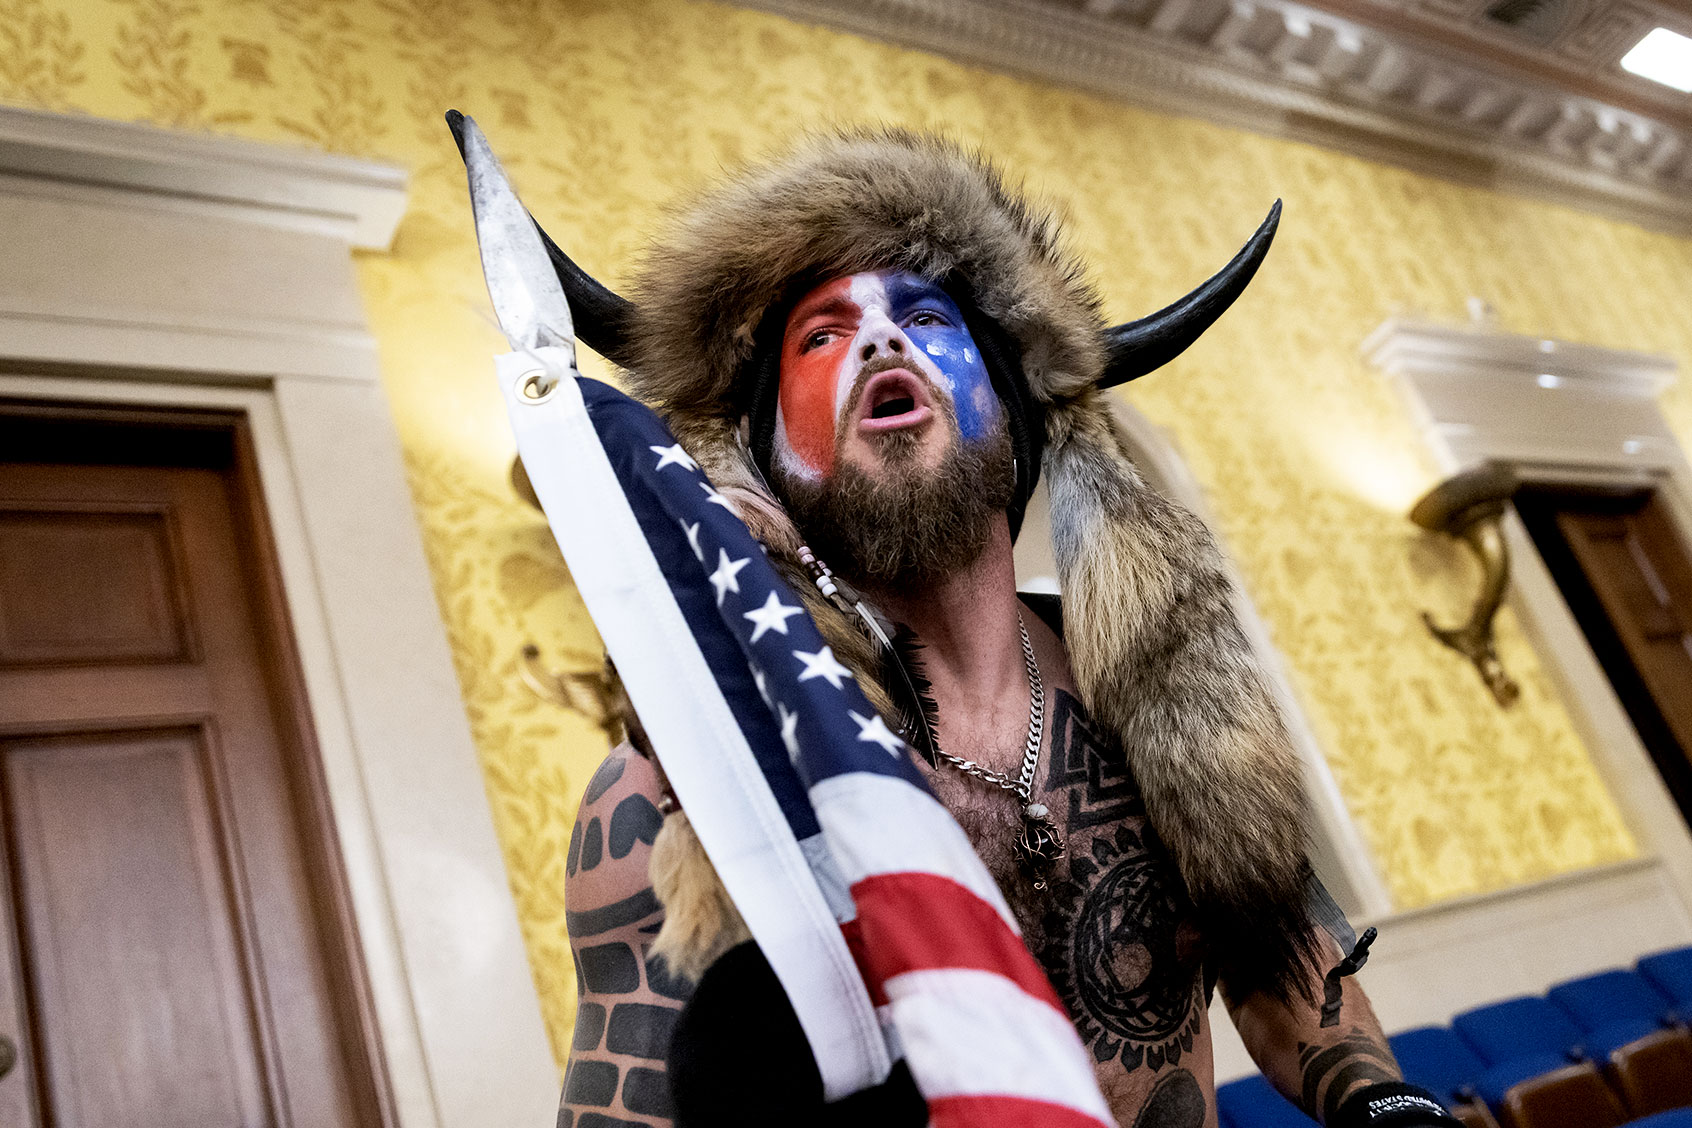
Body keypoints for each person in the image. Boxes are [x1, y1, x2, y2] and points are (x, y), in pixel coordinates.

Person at [549, 130, 1456, 1128]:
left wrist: (1387, 1107)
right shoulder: (678, 792)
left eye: (924, 317)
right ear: (763, 457)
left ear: (1014, 407)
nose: (881, 342)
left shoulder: (1164, 710)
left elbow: (1287, 976)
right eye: (821, 336)